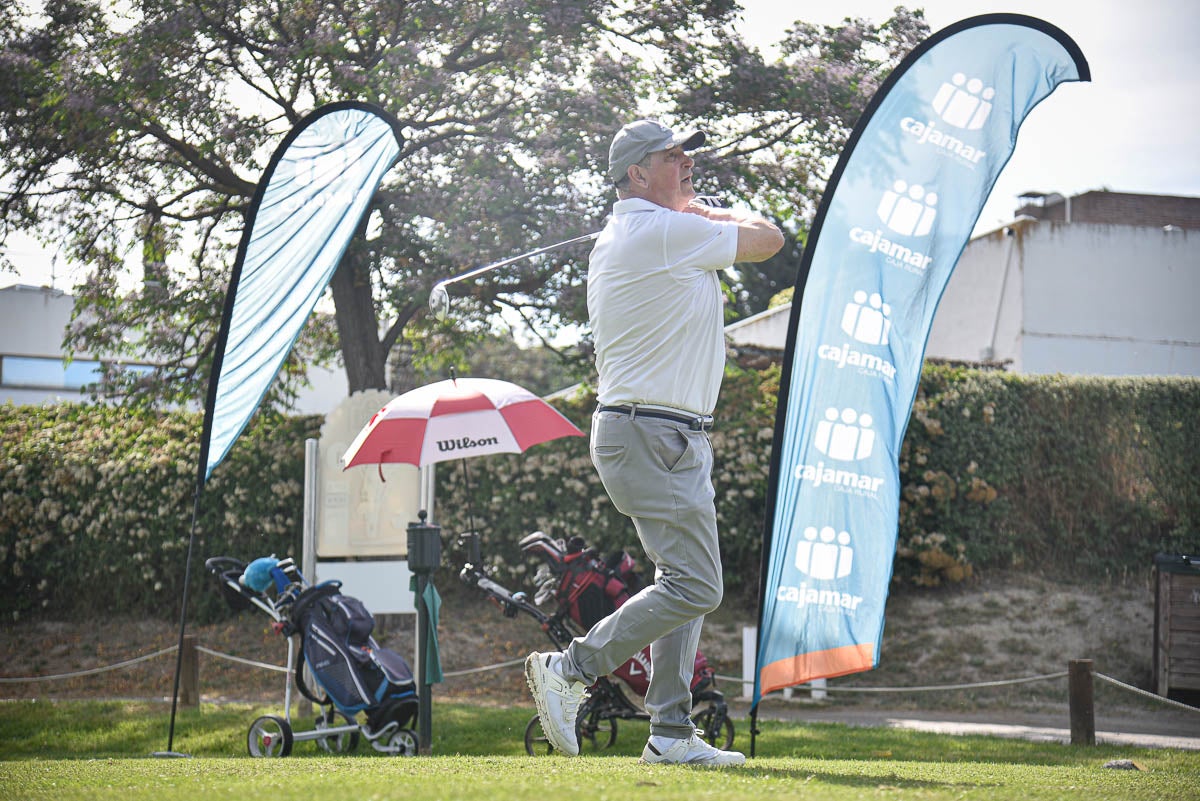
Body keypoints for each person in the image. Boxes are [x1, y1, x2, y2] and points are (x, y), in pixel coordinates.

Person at [525, 119, 784, 766]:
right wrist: (709, 211)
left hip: (661, 433)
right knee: (699, 585)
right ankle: (570, 665)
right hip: (653, 431)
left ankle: (669, 730)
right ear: (638, 175)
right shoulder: (665, 229)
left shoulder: (648, 228)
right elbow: (770, 239)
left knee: (681, 580)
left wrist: (691, 208)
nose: (686, 160)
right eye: (673, 155)